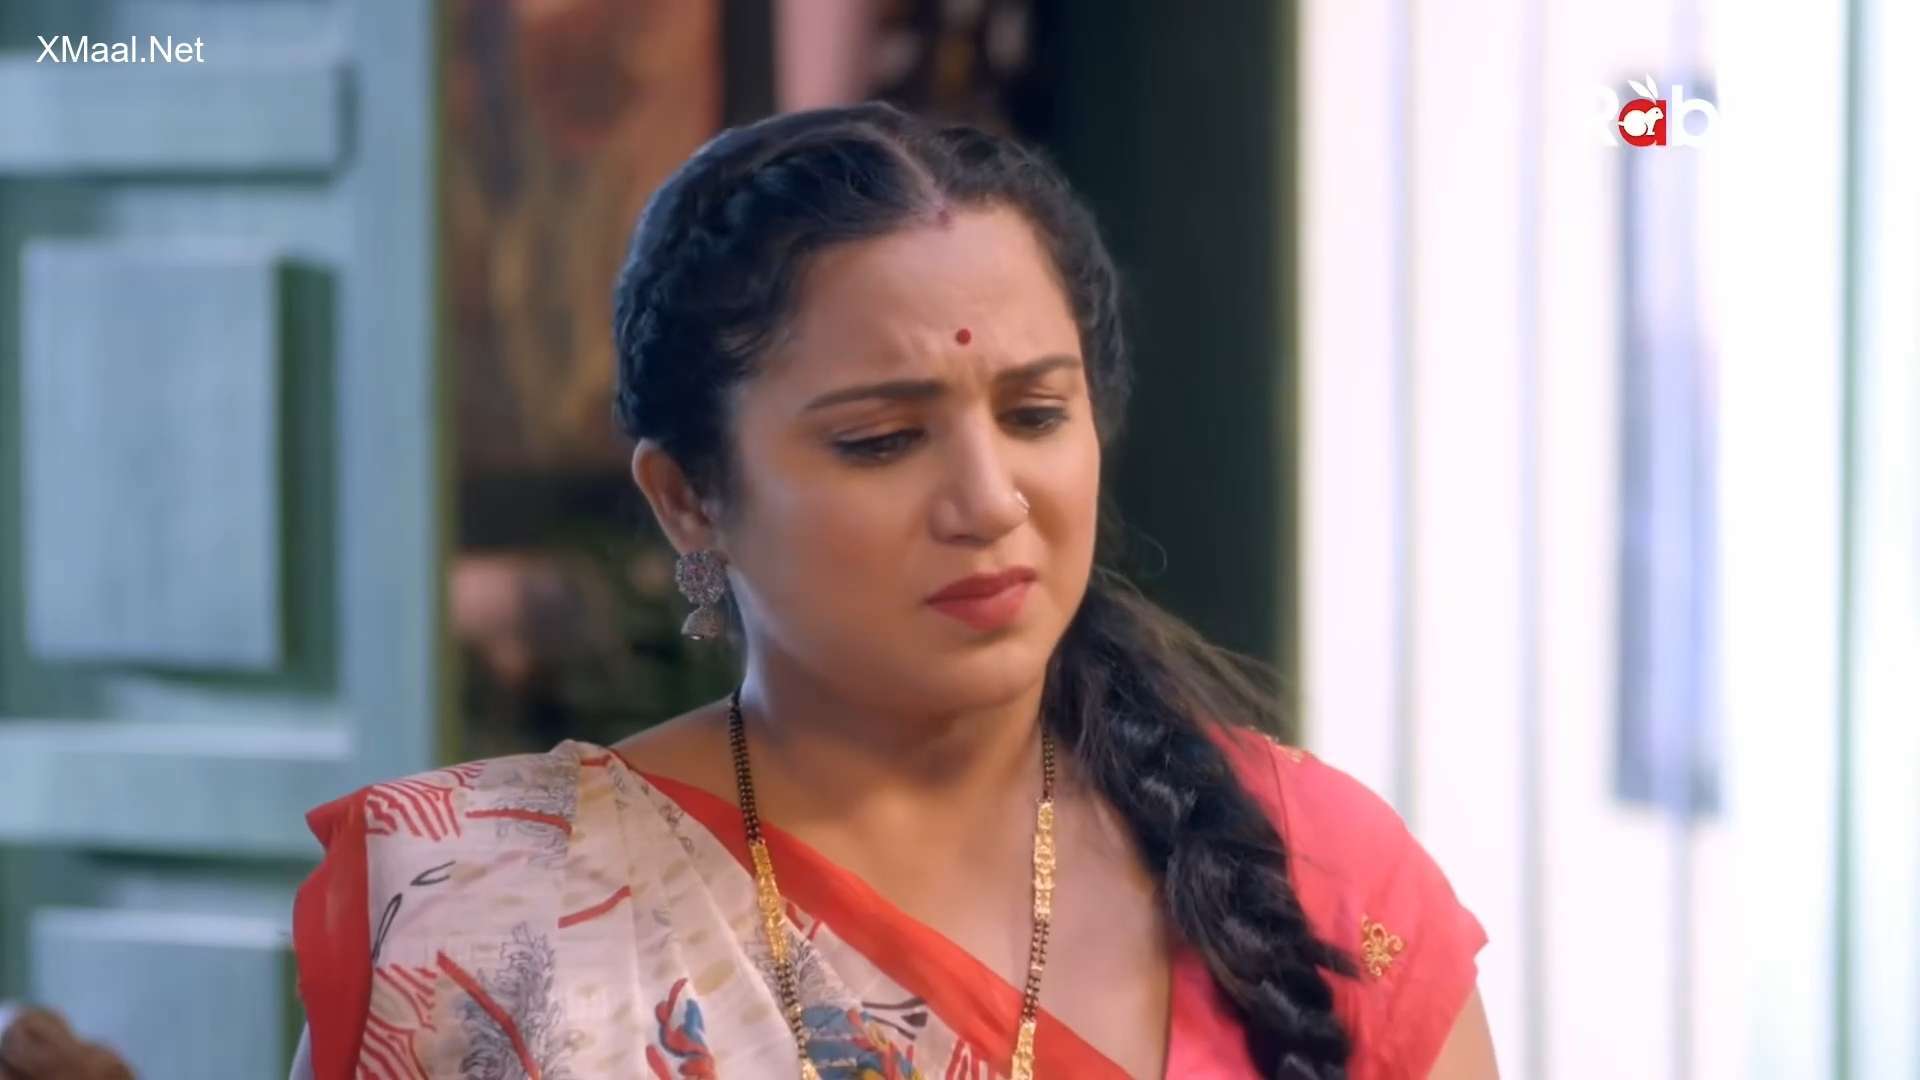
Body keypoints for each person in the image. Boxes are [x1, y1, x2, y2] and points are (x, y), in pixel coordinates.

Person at [291, 103, 1496, 1079]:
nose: (990, 499)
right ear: (689, 498)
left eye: (1036, 415)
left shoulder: (1317, 874)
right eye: (879, 441)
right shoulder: (491, 917)